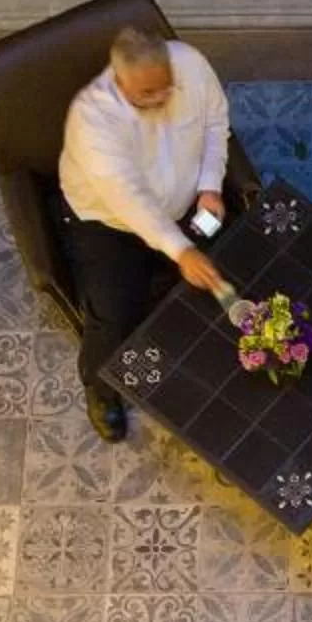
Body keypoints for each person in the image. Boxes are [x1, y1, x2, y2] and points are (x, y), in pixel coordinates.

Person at [57, 24, 237, 442]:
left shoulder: (191, 64)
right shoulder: (93, 119)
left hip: (185, 203)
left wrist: (210, 185)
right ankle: (101, 389)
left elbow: (215, 123)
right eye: (146, 94)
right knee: (114, 316)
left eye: (165, 89)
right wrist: (182, 251)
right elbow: (131, 203)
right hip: (110, 223)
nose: (160, 99)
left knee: (223, 267)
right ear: (119, 81)